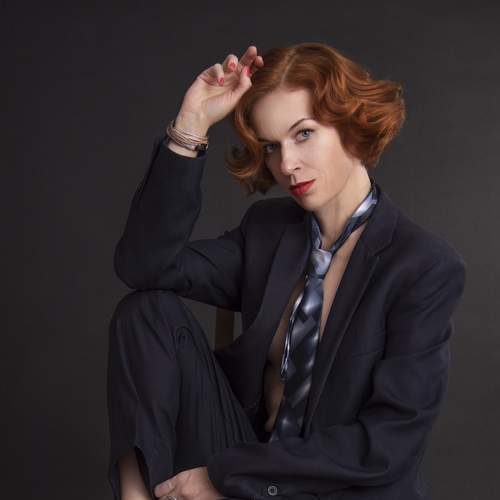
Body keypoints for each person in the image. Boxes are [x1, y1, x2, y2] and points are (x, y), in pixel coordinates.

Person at [107, 43, 467, 500]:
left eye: (304, 134)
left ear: (351, 123)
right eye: (271, 146)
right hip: (248, 460)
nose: (287, 165)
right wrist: (190, 126)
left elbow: (386, 445)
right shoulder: (268, 230)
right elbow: (146, 267)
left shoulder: (422, 266)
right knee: (145, 311)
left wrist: (223, 476)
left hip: (338, 487)